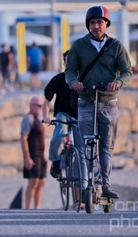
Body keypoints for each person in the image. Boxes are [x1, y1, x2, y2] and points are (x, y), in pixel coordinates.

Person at [66, 6, 133, 199]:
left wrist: (118, 82)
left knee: (106, 146)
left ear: (106, 24)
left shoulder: (116, 46)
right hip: (86, 101)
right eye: (93, 23)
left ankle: (105, 184)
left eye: (100, 22)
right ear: (88, 25)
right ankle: (87, 183)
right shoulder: (78, 45)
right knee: (87, 143)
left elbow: (127, 71)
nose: (97, 26)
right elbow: (70, 69)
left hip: (108, 102)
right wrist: (74, 82)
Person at [41, 50, 83, 180]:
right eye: (68, 61)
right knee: (59, 135)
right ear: (64, 63)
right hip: (63, 114)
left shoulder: (83, 79)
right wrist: (45, 116)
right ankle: (56, 163)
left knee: (82, 146)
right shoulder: (58, 79)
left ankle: (80, 178)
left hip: (79, 115)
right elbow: (47, 101)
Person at [20, 96, 47, 209]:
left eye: (41, 105)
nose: (40, 108)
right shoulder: (28, 118)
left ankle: (37, 208)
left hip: (40, 155)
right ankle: (28, 208)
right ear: (32, 105)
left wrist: (44, 155)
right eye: (38, 105)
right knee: (33, 182)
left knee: (41, 182)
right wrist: (27, 157)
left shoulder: (38, 118)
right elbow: (23, 138)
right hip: (33, 154)